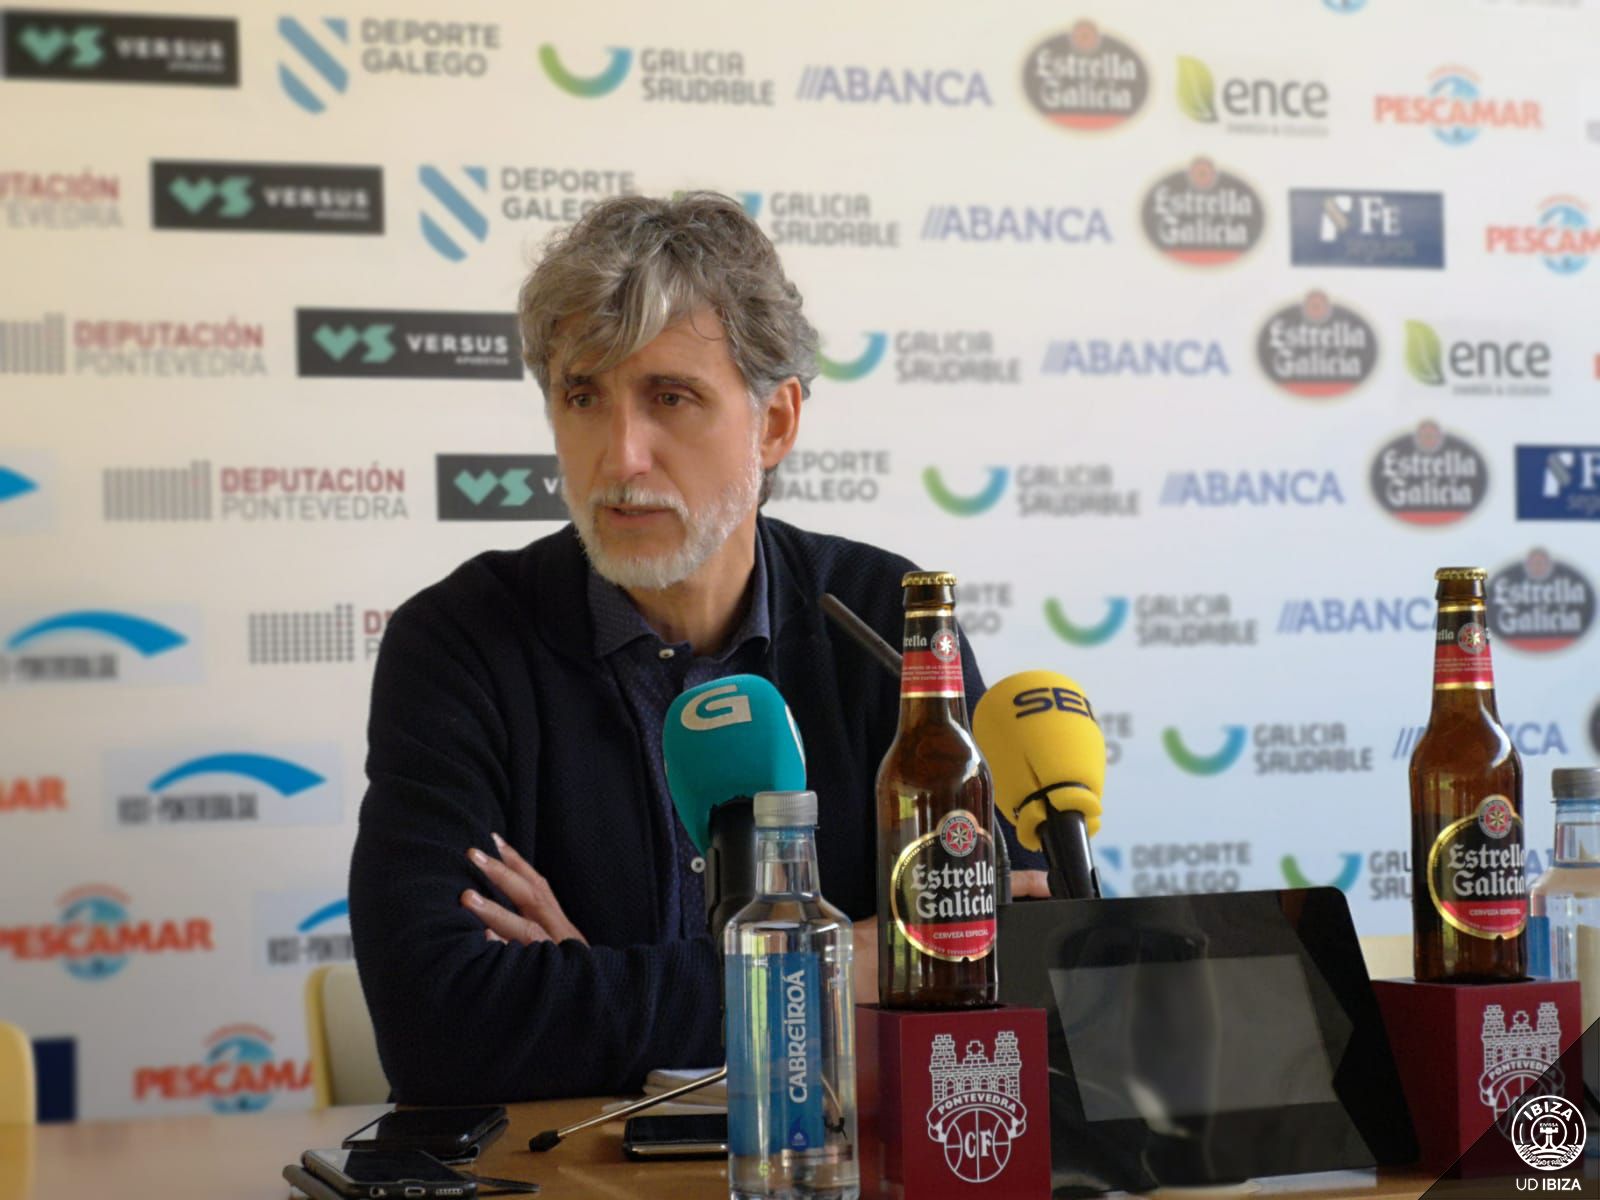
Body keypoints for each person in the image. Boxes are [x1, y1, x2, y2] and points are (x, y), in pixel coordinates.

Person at [348, 192, 1047, 1103]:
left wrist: (597, 979)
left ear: (776, 423)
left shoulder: (888, 623)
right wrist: (842, 964)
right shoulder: (460, 643)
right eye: (583, 396)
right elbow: (440, 1026)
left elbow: (1024, 960)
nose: (620, 453)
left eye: (670, 398)